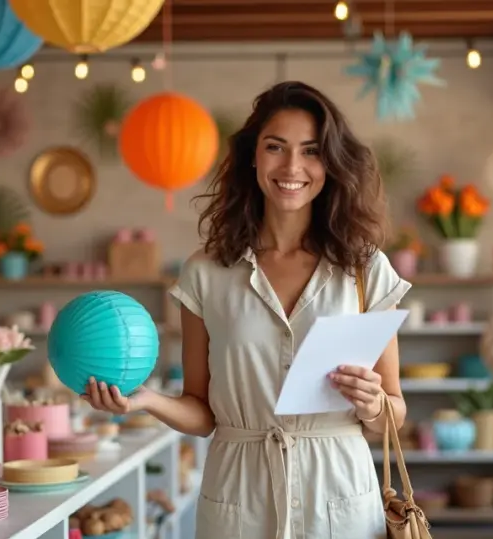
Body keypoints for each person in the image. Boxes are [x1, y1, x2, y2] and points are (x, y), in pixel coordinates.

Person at [81, 81, 411, 539]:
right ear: (253, 156)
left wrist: (375, 404)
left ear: (330, 163)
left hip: (339, 498)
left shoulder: (364, 268)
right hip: (239, 499)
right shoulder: (206, 272)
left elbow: (394, 411)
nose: (292, 166)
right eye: (276, 147)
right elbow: (202, 411)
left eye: (311, 151)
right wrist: (147, 401)